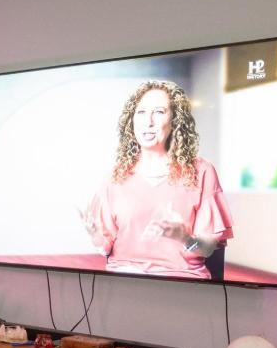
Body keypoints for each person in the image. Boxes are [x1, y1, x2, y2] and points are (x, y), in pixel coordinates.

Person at [80, 79, 232, 280]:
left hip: (181, 282)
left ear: (175, 120)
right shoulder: (115, 176)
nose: (148, 121)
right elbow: (106, 247)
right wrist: (95, 236)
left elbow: (206, 249)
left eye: (159, 112)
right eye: (141, 112)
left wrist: (183, 237)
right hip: (123, 279)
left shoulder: (201, 171)